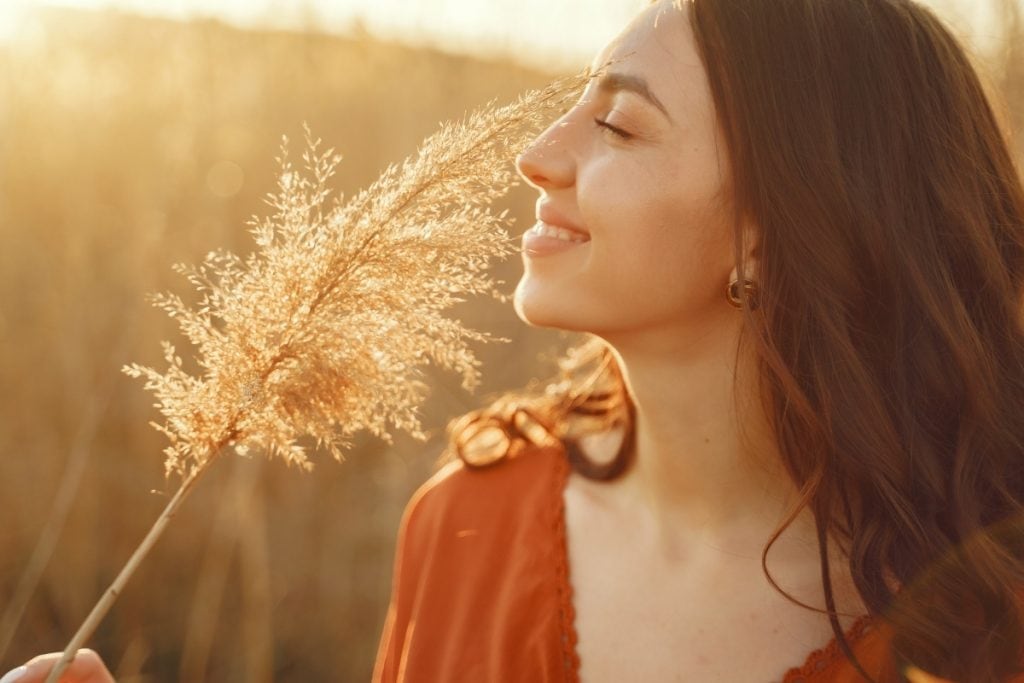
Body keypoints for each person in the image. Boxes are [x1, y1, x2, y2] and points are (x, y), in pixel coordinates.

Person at [6, 0, 1023, 681]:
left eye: (618, 125)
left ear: (778, 225)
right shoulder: (465, 520)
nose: (539, 156)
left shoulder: (981, 612)